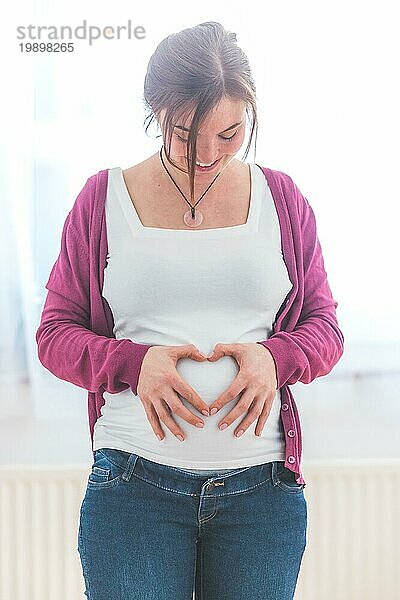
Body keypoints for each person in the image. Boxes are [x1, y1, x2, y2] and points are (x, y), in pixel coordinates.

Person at [35, 21, 344, 600]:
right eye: (183, 135)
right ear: (155, 113)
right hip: (132, 491)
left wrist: (273, 361)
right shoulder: (102, 200)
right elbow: (54, 336)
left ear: (250, 113)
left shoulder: (282, 200)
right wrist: (134, 364)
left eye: (229, 135)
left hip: (263, 496)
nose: (206, 158)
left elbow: (325, 329)